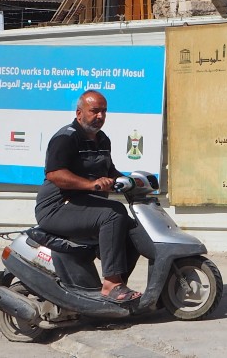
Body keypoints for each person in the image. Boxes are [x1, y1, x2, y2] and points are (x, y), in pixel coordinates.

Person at [35, 89, 140, 303]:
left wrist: (132, 181)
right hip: (57, 207)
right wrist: (91, 184)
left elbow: (109, 173)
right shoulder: (65, 138)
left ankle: (115, 288)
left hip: (83, 205)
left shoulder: (102, 140)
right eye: (95, 111)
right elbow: (55, 174)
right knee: (114, 214)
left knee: (133, 230)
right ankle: (111, 284)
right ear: (79, 112)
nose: (100, 116)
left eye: (104, 112)